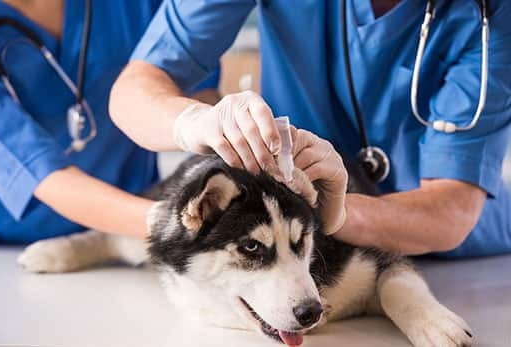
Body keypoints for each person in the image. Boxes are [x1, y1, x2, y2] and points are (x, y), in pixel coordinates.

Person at [110, 0, 511, 258]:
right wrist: (195, 122)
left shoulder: (490, 15)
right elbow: (132, 92)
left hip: (443, 259)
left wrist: (332, 213)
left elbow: (449, 211)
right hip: (294, 245)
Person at [0, 0, 220, 244]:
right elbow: (37, 172)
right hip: (15, 250)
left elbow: (197, 91)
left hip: (133, 235)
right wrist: (172, 222)